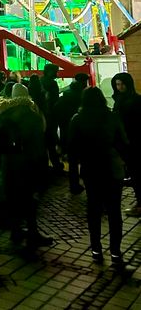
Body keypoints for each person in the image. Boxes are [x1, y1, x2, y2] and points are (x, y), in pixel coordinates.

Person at [68, 87, 129, 267]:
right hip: (112, 168)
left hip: (91, 169)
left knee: (93, 209)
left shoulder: (77, 119)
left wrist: (74, 176)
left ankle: (96, 249)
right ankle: (116, 252)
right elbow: (123, 142)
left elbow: (72, 149)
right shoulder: (112, 117)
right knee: (114, 211)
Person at [0, 82, 53, 254]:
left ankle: (16, 231)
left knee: (13, 198)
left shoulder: (2, 115)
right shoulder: (33, 116)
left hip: (9, 163)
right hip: (28, 163)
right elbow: (38, 145)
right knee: (30, 201)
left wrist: (0, 163)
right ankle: (33, 234)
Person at [111, 72, 141, 217]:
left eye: (122, 84)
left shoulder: (133, 101)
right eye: (117, 84)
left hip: (133, 143)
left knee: (136, 174)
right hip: (127, 143)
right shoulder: (121, 99)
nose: (120, 87)